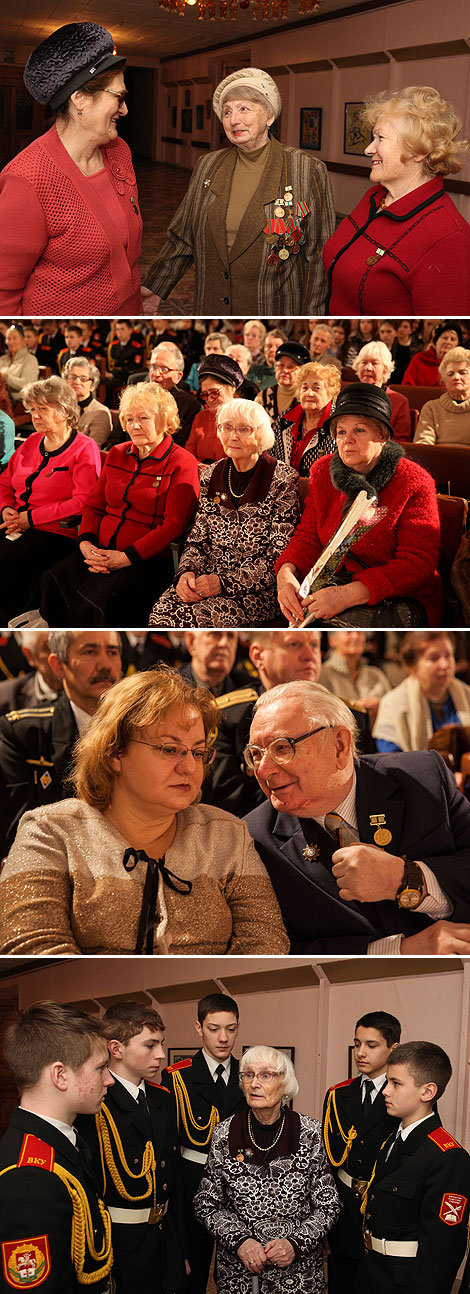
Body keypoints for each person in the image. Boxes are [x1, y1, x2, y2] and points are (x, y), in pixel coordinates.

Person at [0, 668, 289, 955]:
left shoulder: (228, 834)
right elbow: (32, 947)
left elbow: (266, 943)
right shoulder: (48, 830)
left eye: (198, 752)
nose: (189, 767)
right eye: (168, 749)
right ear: (114, 752)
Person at [244, 680, 470, 955]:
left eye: (282, 748)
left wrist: (405, 878)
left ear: (339, 745)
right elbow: (276, 952)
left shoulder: (423, 778)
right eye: (255, 754)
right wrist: (400, 950)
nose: (264, 770)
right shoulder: (253, 840)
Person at [144, 68, 335, 315]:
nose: (234, 120)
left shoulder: (306, 169)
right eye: (227, 112)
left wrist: (314, 316)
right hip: (211, 307)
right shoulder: (208, 165)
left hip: (273, 309)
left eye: (244, 108)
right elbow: (184, 235)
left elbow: (319, 255)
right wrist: (155, 287)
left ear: (269, 116)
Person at [0, 23, 143, 314]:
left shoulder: (120, 153)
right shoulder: (28, 179)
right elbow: (3, 290)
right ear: (79, 99)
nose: (124, 109)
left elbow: (123, 250)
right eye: (118, 97)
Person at [276, 384, 443, 629]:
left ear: (383, 436)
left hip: (396, 595)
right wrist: (286, 573)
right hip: (332, 583)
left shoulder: (413, 481)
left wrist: (350, 594)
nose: (347, 440)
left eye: (360, 430)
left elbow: (417, 564)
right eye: (341, 432)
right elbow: (309, 537)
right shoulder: (323, 472)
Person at [40, 381, 200, 626]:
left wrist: (125, 558)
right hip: (97, 552)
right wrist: (86, 545)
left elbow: (173, 526)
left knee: (100, 603)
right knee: (53, 580)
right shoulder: (117, 453)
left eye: (144, 418)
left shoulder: (182, 461)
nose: (135, 425)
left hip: (145, 561)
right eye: (129, 418)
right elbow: (94, 506)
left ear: (165, 420)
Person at [194, 1044, 340, 1294]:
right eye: (248, 1075)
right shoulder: (224, 1133)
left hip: (298, 1276)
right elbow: (206, 1203)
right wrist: (240, 1242)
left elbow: (329, 1205)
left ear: (285, 1083)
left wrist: (296, 1243)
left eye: (265, 1075)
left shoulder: (310, 1132)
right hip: (239, 1274)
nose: (254, 1083)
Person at [149, 398, 300, 628]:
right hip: (205, 578)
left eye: (243, 429)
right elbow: (198, 539)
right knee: (161, 612)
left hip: (257, 590)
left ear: (260, 435)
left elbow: (278, 557)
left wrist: (223, 583)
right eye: (226, 427)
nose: (233, 436)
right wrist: (186, 573)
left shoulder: (282, 478)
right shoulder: (211, 474)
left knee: (189, 620)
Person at [0, 1001, 114, 1293]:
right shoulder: (28, 1178)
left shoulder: (61, 1141)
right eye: (101, 1068)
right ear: (60, 1075)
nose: (109, 1080)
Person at [324, 86, 470, 313]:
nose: (368, 149)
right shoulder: (374, 197)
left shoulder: (449, 237)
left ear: (419, 150)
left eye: (380, 137)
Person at [77, 1002, 188, 1294]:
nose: (161, 1055)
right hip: (120, 1243)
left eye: (161, 1044)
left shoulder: (162, 1097)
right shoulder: (96, 1106)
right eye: (150, 1045)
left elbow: (171, 1181)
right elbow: (88, 1191)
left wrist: (180, 1250)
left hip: (164, 1237)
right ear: (116, 1048)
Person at [204, 628, 375, 818]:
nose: (309, 656)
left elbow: (366, 791)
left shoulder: (352, 716)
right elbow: (226, 806)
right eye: (294, 645)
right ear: (258, 656)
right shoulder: (226, 715)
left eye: (314, 645)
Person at [356, 1041, 470, 1294]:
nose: (385, 1091)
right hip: (372, 1271)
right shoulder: (392, 1140)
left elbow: (442, 1250)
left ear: (427, 1092)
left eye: (396, 1083)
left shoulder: (447, 1157)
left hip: (405, 1281)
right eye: (387, 1082)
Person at [0, 630, 122, 858]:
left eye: (112, 652)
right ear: (58, 666)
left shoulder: (141, 730)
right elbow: (16, 834)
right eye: (89, 651)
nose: (105, 664)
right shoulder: (23, 732)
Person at [161, 993, 246, 1294]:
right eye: (214, 1029)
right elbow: (169, 1143)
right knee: (192, 1272)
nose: (223, 1038)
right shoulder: (177, 1077)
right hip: (192, 1182)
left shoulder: (247, 1075)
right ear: (198, 1027)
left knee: (239, 1271)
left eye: (231, 1029)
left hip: (240, 1182)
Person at [0, 376, 101, 623]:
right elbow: (4, 482)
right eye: (32, 409)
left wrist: (31, 519)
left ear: (65, 410)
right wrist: (5, 508)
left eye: (42, 409)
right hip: (17, 523)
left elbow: (82, 502)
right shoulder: (32, 441)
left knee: (7, 562)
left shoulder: (84, 448)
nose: (35, 415)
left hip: (57, 532)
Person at [322, 1010, 401, 1294]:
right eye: (357, 1044)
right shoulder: (338, 1094)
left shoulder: (405, 1096)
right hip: (344, 1206)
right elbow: (328, 1161)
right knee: (341, 1282)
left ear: (394, 1049)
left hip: (383, 1208)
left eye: (371, 1045)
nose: (361, 1052)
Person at [373, 631, 470, 754]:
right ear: (413, 667)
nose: (445, 665)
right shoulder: (392, 704)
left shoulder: (467, 694)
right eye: (434, 658)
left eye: (448, 656)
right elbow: (391, 762)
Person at [271, 361, 340, 476]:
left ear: (330, 393)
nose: (309, 393)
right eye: (305, 388)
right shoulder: (284, 420)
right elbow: (272, 460)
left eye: (316, 388)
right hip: (283, 490)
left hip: (321, 490)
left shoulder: (338, 424)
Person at [320, 630, 391, 724]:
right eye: (349, 632)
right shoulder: (322, 674)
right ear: (332, 640)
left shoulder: (376, 674)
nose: (355, 637)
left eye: (360, 632)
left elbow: (393, 709)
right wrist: (358, 708)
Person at [185, 355, 244, 464]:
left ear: (232, 388)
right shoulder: (200, 418)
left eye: (214, 392)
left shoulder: (246, 417)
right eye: (205, 394)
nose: (210, 399)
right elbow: (189, 454)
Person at [351, 341, 412, 442]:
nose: (368, 368)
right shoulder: (346, 396)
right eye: (364, 362)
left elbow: (401, 442)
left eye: (374, 363)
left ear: (385, 370)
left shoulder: (399, 401)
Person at [415, 346, 470, 444]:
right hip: (436, 459)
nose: (456, 377)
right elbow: (423, 448)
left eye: (462, 372)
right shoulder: (431, 408)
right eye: (450, 374)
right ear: (444, 380)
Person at [0, 629, 61, 717]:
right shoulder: (6, 698)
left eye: (64, 646)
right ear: (30, 655)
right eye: (49, 647)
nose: (60, 655)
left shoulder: (86, 688)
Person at [64, 356, 112, 449]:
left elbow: (94, 449)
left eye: (83, 378)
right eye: (72, 377)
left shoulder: (100, 412)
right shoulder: (60, 408)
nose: (77, 382)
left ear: (93, 386)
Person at [180, 630, 248, 696]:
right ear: (191, 641)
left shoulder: (248, 689)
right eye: (214, 634)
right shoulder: (172, 688)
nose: (224, 643)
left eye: (230, 636)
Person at [256, 341, 310, 422]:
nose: (285, 370)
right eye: (280, 365)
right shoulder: (264, 396)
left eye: (291, 367)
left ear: (302, 372)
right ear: (275, 368)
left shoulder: (305, 397)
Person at [402, 320, 462, 386]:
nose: (448, 342)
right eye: (445, 338)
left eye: (453, 339)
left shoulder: (461, 363)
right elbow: (407, 386)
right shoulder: (419, 359)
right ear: (436, 341)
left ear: (457, 344)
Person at [0, 324, 39, 399]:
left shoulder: (30, 360)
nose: (11, 342)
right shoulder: (2, 359)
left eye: (14, 338)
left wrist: (5, 377)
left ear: (23, 340)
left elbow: (27, 385)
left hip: (17, 403)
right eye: (8, 338)